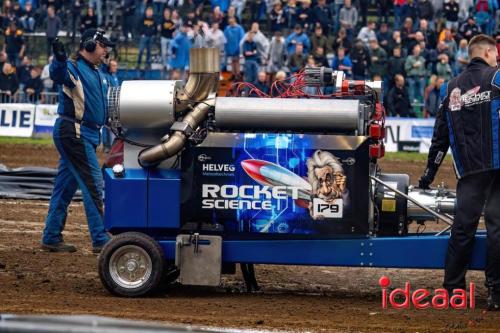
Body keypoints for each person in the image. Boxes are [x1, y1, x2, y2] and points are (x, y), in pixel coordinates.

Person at [418, 35, 500, 311]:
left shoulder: (450, 88)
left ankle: (453, 291)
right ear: (488, 52)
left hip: (469, 172)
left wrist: (428, 174)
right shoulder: (498, 77)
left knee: (462, 230)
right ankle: (496, 293)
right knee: (497, 228)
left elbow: (439, 138)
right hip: (497, 170)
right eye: (496, 54)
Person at [41, 28, 115, 254]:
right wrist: (59, 59)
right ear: (90, 45)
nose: (106, 50)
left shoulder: (98, 72)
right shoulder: (73, 68)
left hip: (84, 133)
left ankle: (51, 236)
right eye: (103, 45)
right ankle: (100, 238)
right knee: (93, 184)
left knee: (64, 188)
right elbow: (57, 74)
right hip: (74, 132)